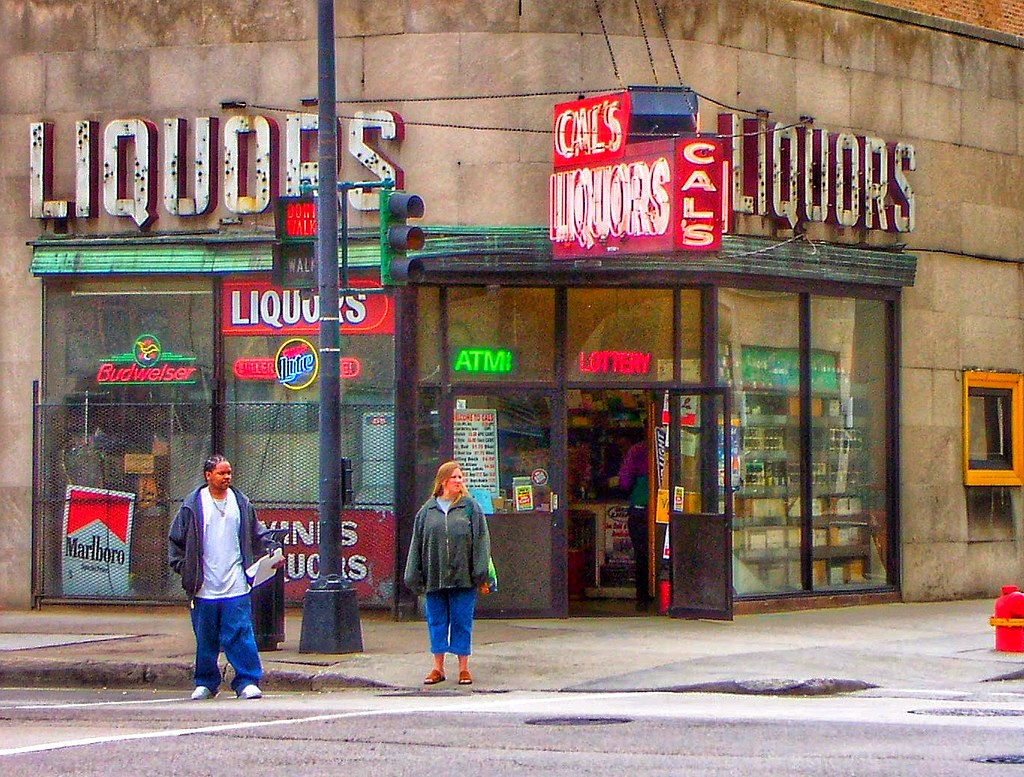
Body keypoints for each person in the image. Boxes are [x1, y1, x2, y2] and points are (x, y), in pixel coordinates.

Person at [168, 454, 277, 700]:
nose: (227, 477)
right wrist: (185, 570)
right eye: (221, 473)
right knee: (205, 636)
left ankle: (247, 681)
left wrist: (270, 550)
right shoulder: (192, 506)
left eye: (228, 473)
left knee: (239, 632)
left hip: (236, 583)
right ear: (208, 476)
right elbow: (176, 542)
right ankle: (206, 682)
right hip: (203, 586)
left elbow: (256, 533)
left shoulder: (241, 503)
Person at [403, 460, 490, 686]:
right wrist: (413, 576)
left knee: (462, 621)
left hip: (463, 577)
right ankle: (438, 668)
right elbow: (417, 544)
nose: (459, 481)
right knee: (437, 621)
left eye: (461, 477)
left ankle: (463, 669)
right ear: (443, 481)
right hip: (435, 577)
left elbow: (482, 541)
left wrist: (479, 573)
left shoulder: (471, 507)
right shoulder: (427, 511)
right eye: (455, 477)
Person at [618, 437, 652, 610]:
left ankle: (643, 598)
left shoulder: (637, 450)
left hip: (639, 508)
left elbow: (624, 481)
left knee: (641, 555)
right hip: (663, 509)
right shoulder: (673, 447)